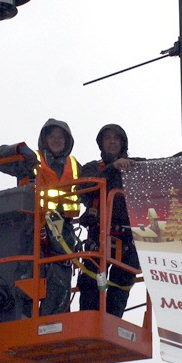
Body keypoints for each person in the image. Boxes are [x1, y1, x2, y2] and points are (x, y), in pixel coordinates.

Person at [0, 119, 81, 316]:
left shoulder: (74, 166)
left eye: (61, 137)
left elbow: (93, 186)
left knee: (60, 274)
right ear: (44, 139)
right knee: (28, 274)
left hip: (62, 230)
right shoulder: (32, 160)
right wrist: (20, 149)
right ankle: (24, 318)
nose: (57, 140)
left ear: (68, 141)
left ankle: (53, 320)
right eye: (52, 136)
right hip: (32, 226)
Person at [78, 124, 144, 318]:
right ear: (101, 143)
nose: (112, 141)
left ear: (122, 143)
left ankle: (112, 326)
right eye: (108, 138)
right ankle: (88, 325)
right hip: (99, 235)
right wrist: (111, 168)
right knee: (91, 282)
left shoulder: (135, 167)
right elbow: (84, 187)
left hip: (126, 238)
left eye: (116, 138)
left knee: (122, 284)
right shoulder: (92, 168)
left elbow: (161, 167)